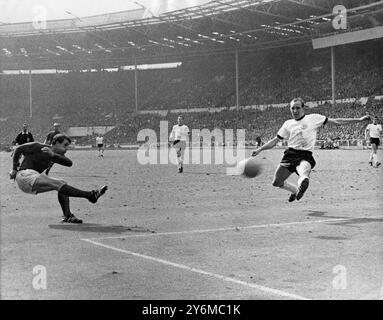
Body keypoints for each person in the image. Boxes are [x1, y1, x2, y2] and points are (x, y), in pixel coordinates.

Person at [251, 98, 371, 202]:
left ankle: (303, 182)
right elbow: (275, 140)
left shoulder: (313, 118)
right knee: (276, 182)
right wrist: (260, 149)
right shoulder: (288, 124)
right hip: (290, 154)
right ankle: (295, 190)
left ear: (303, 108)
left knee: (304, 170)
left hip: (305, 154)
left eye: (297, 108)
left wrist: (359, 120)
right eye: (293, 108)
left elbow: (336, 121)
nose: (295, 111)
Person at [9, 134, 108, 223]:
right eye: (65, 145)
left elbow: (69, 163)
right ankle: (90, 195)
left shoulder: (54, 156)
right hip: (25, 175)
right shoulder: (40, 147)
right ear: (56, 143)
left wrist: (53, 155)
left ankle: (68, 216)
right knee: (59, 184)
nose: (67, 148)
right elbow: (18, 149)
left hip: (30, 182)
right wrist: (14, 169)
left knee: (61, 184)